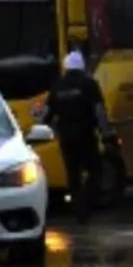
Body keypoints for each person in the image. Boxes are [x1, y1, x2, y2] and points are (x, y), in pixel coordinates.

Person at [44, 50, 107, 223]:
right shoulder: (89, 84)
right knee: (96, 170)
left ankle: (79, 210)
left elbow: (46, 116)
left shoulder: (57, 88)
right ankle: (85, 202)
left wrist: (54, 131)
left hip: (66, 139)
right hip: (86, 136)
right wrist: (106, 134)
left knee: (73, 174)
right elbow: (99, 112)